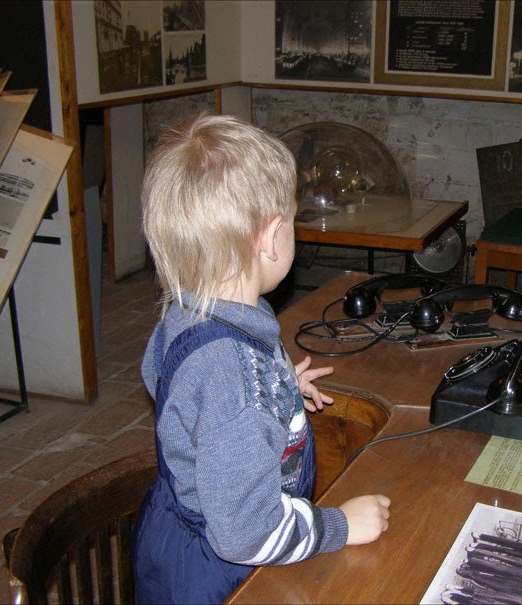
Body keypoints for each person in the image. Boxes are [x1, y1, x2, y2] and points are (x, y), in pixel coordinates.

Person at [131, 114, 391, 604]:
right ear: (271, 237)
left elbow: (172, 386)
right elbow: (246, 534)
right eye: (292, 221)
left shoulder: (188, 308)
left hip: (174, 529)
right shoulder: (233, 369)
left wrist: (274, 389)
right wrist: (339, 526)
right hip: (221, 572)